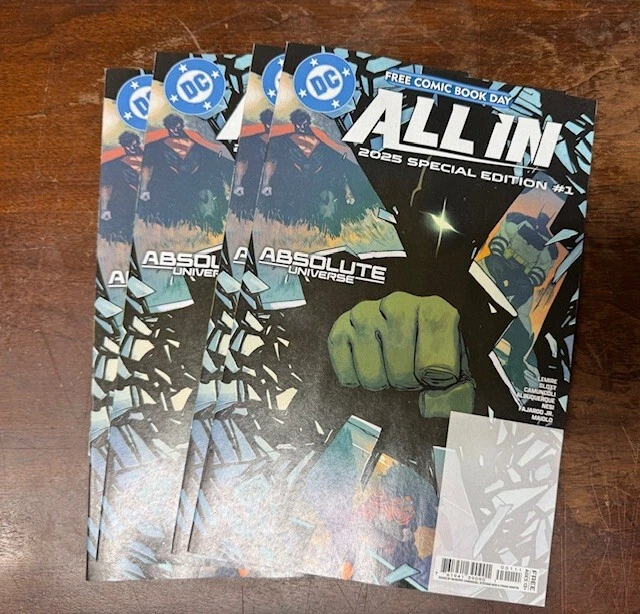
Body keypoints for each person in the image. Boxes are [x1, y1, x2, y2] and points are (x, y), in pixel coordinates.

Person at [99, 131, 143, 241]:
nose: (132, 148)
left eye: (134, 145)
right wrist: (104, 209)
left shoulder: (148, 157)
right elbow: (106, 186)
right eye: (128, 146)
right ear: (123, 146)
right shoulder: (115, 164)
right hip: (123, 203)